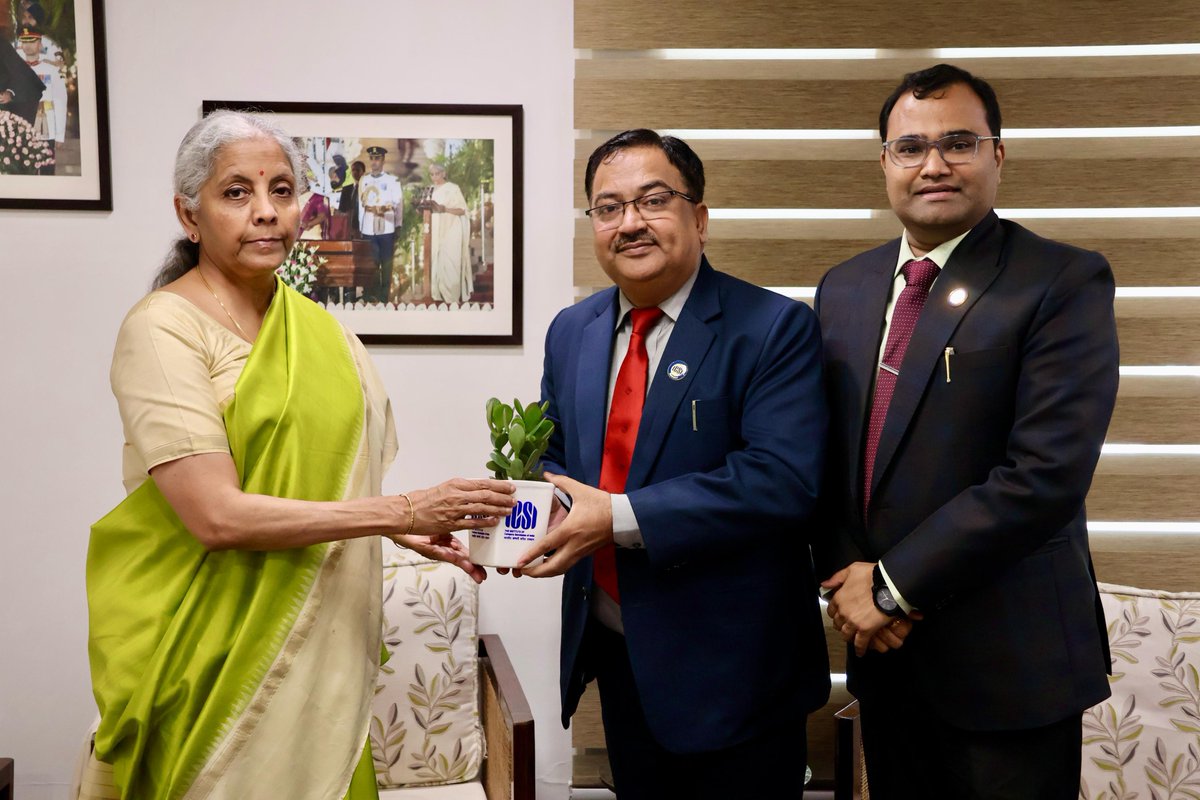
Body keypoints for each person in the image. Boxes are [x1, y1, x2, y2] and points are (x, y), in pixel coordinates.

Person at [82, 110, 515, 800]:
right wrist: (401, 506)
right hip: (203, 647)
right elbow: (217, 517)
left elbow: (309, 482)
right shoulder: (162, 330)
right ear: (188, 215)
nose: (265, 212)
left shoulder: (320, 333)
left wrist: (405, 529)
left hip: (323, 651)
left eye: (281, 190)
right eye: (236, 192)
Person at [813, 64, 1117, 799]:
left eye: (958, 142)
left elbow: (1043, 474)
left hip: (1010, 665)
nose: (934, 165)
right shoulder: (843, 287)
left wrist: (890, 588)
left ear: (997, 155)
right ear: (884, 163)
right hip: (888, 658)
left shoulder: (1060, 281)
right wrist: (851, 585)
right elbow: (827, 456)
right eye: (909, 147)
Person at [512, 129, 830, 798]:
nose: (630, 222)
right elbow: (560, 460)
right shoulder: (573, 330)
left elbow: (781, 481)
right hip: (619, 652)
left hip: (735, 673)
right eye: (608, 207)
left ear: (699, 218)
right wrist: (504, 511)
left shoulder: (773, 327)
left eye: (652, 200)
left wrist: (617, 517)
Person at [17, 26, 65, 174]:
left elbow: (60, 100)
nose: (28, 45)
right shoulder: (17, 70)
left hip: (47, 126)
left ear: (40, 44)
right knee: (24, 172)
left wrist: (59, 135)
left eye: (32, 41)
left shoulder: (51, 70)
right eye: (24, 41)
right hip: (22, 128)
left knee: (47, 171)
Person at [358, 145, 403, 302]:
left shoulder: (392, 180)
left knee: (386, 264)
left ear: (383, 160)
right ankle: (371, 295)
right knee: (371, 264)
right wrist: (360, 227)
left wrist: (398, 225)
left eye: (377, 158)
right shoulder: (365, 180)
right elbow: (360, 205)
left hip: (387, 227)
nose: (374, 162)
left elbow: (398, 204)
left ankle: (384, 298)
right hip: (369, 228)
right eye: (372, 158)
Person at [427, 163, 473, 304]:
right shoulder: (430, 191)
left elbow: (463, 210)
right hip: (436, 232)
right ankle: (438, 299)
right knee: (437, 263)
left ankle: (453, 299)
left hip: (452, 230)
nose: (434, 177)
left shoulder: (453, 188)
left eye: (437, 173)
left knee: (451, 264)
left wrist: (445, 209)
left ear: (443, 173)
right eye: (432, 174)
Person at [338, 159, 366, 237]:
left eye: (358, 170)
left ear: (363, 172)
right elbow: (341, 209)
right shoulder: (346, 188)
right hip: (348, 226)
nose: (355, 172)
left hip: (363, 226)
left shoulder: (367, 188)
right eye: (353, 170)